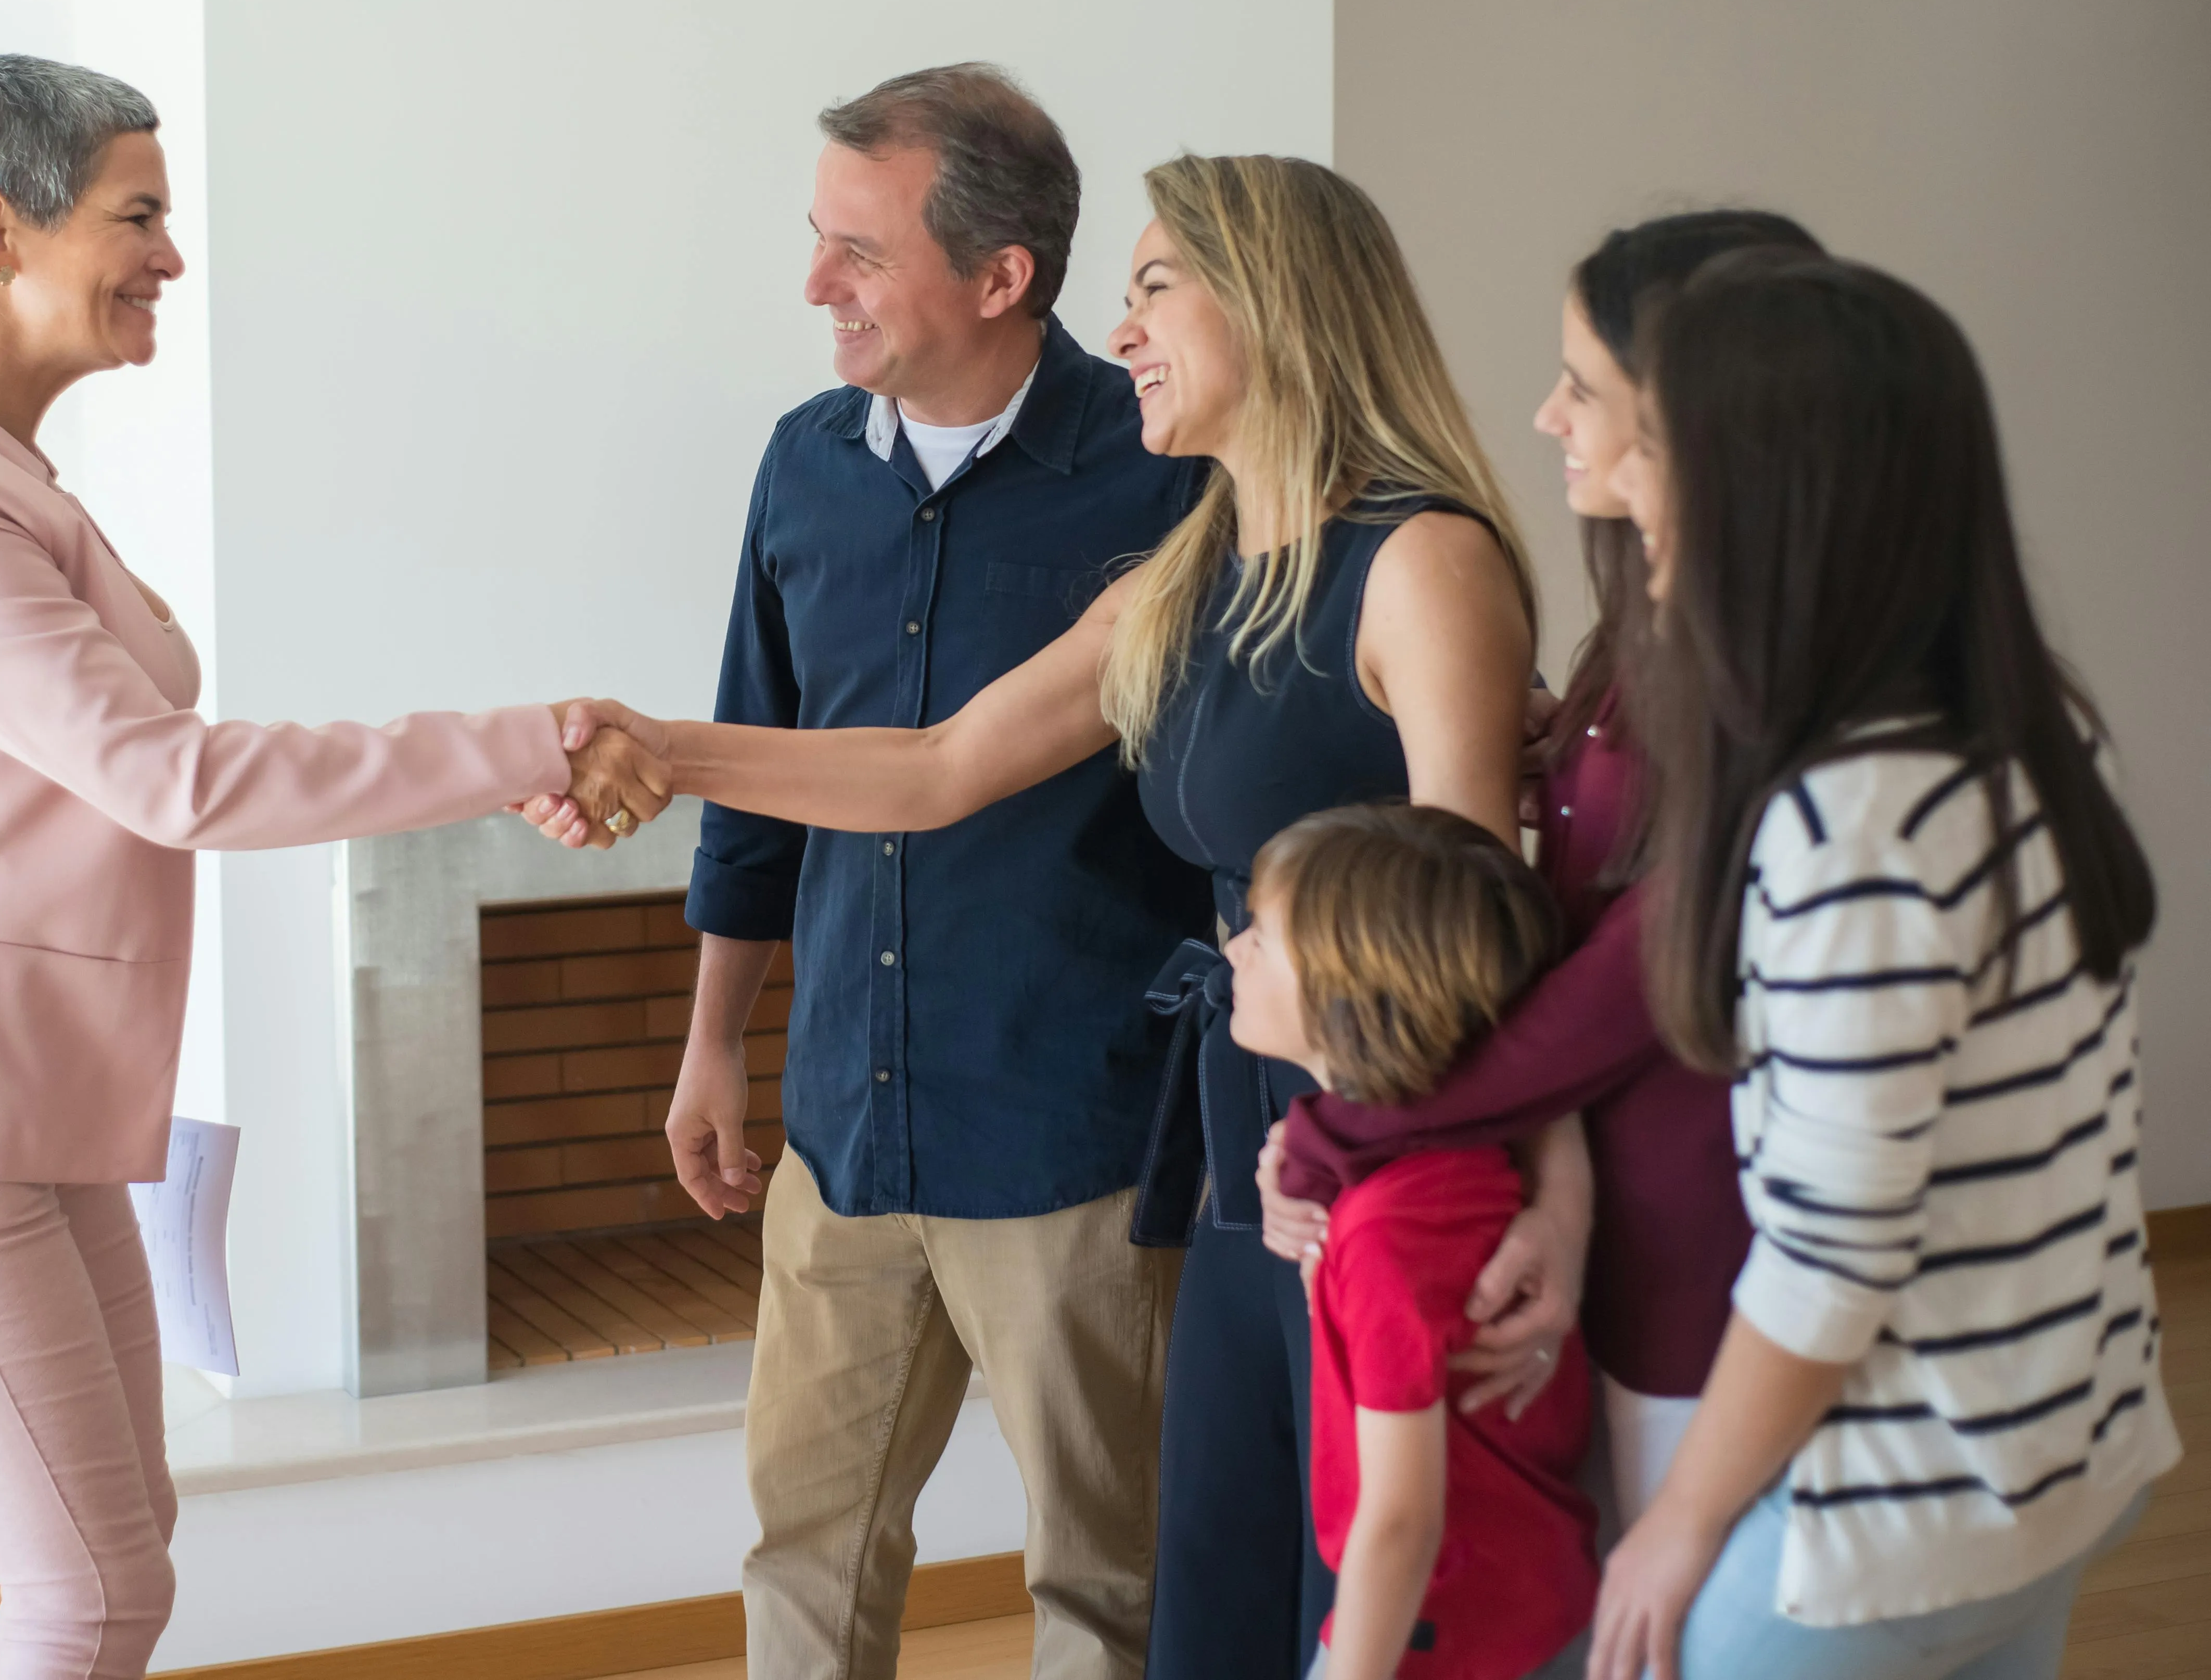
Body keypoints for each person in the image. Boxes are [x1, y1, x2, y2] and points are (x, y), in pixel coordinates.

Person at [538, 152, 1571, 1679]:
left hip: (1385, 1145)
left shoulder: (1421, 563)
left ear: (1275, 306)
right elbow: (937, 764)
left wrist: (1536, 1184)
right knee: (1215, 1596)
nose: (1127, 325)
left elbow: (1490, 931)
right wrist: (664, 749)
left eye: (1158, 286)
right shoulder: (1194, 566)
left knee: (1365, 1587)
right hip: (1242, 1141)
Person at [0, 55, 664, 1680]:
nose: (171, 254)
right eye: (138, 214)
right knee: (87, 1593)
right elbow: (171, 780)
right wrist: (522, 743)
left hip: (19, 1098)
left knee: (124, 1550)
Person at [561, 62, 1209, 1680]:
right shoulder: (802, 465)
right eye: (818, 239)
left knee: (1105, 1582)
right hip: (843, 1126)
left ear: (1000, 278)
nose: (813, 287)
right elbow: (759, 795)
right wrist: (715, 1041)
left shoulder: (1168, 478)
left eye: (858, 250)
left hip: (1075, 1137)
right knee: (804, 1553)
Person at [1584, 251, 2180, 1679]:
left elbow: (1831, 1258)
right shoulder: (2018, 737)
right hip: (2071, 1445)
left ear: (1768, 498)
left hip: (1889, 1515)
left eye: (1656, 444)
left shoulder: (1851, 818)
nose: (1626, 483)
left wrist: (1679, 1522)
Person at [1260, 210, 1821, 1528]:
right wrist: (1562, 768)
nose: (1545, 415)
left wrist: (1349, 1122)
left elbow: (1633, 968)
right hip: (1613, 1195)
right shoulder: (1644, 631)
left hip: (1707, 1222)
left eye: (1581, 384)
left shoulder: (1761, 667)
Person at [1226, 804, 1595, 1680]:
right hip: (1522, 1608)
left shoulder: (1390, 1231)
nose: (1234, 950)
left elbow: (1402, 1519)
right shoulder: (1451, 1170)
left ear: (1353, 995)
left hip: (1446, 1639)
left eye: (1263, 940)